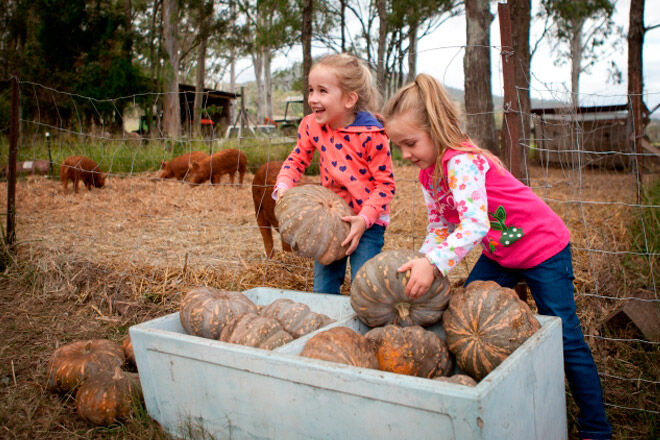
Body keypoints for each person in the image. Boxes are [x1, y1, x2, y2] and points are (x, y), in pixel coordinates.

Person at [381, 73, 611, 440]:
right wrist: (424, 258)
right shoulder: (429, 175)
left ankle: (596, 429)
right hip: (503, 253)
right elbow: (441, 225)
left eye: (410, 143)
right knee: (464, 320)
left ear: (436, 127)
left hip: (542, 248)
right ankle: (481, 401)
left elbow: (474, 225)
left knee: (564, 337)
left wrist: (436, 263)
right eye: (399, 147)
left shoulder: (461, 163)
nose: (405, 154)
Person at [274, 53, 396, 294]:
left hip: (368, 221)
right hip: (329, 220)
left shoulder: (372, 134)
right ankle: (328, 326)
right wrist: (284, 185)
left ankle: (363, 329)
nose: (313, 98)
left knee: (365, 287)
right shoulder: (311, 125)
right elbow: (297, 158)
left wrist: (364, 219)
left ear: (349, 99)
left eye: (322, 91)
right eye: (310, 90)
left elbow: (386, 187)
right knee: (323, 288)